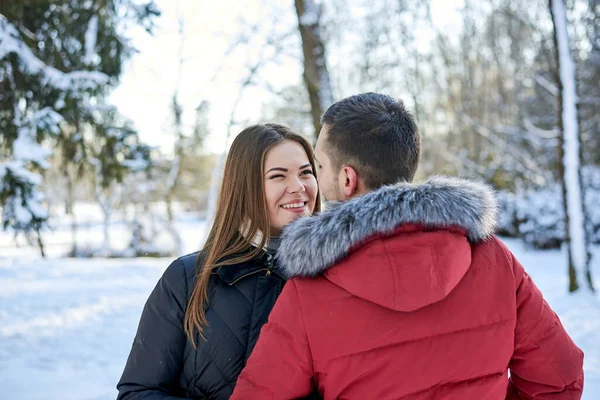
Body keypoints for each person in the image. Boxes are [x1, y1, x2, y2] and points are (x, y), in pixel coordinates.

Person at [231, 93, 585, 400]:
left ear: (347, 178)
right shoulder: (494, 258)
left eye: (319, 166)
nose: (315, 179)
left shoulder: (309, 290)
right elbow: (560, 377)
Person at [116, 123, 320, 399]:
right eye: (278, 176)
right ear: (245, 188)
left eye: (306, 172)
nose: (298, 187)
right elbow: (139, 392)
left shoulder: (333, 278)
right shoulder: (187, 278)